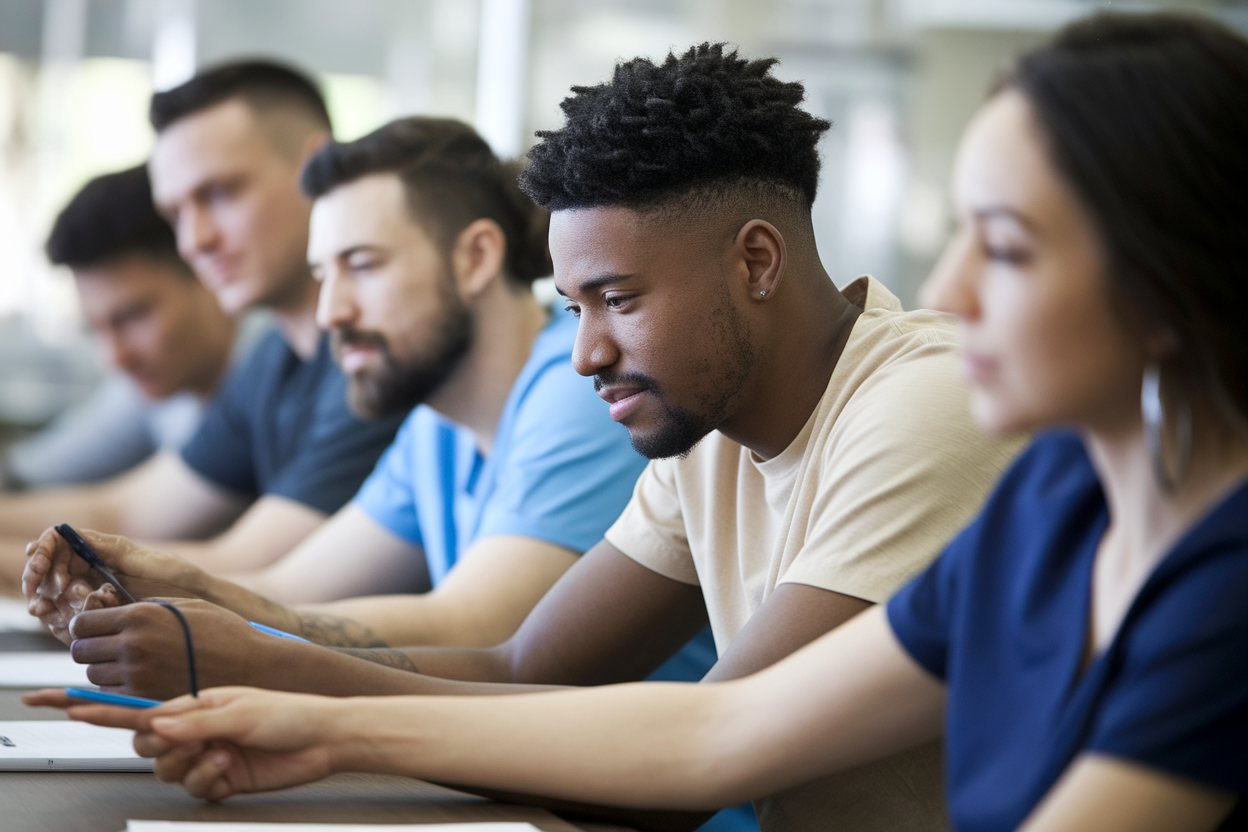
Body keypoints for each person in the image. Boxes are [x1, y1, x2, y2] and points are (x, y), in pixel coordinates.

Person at [40, 12, 1248, 832]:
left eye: (1008, 246)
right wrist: (302, 711)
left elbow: (706, 744)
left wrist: (316, 708)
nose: (961, 287)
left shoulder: (970, 433)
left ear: (1165, 282)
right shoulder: (1044, 504)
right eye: (575, 303)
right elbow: (672, 716)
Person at [0, 61, 406, 587]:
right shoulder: (274, 359)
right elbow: (126, 513)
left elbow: (248, 568)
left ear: (318, 167)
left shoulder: (369, 354)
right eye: (176, 214)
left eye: (219, 194)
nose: (195, 240)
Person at [3, 164, 237, 491]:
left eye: (132, 317)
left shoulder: (280, 379)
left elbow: (118, 514)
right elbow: (29, 472)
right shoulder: (157, 389)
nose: (113, 358)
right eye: (93, 329)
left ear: (205, 270)